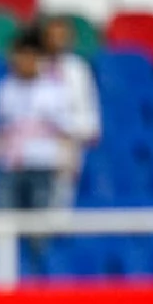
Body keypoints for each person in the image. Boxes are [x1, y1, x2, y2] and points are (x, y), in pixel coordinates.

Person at [0, 28, 76, 210]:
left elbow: (66, 133)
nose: (24, 61)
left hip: (43, 166)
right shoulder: (5, 88)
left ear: (39, 58)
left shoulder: (54, 91)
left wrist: (69, 167)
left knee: (41, 223)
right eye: (20, 56)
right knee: (4, 218)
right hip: (9, 167)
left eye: (30, 55)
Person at [42, 16, 101, 208]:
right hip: (37, 138)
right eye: (52, 36)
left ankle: (59, 220)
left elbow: (87, 106)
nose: (57, 41)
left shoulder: (78, 69)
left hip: (68, 138)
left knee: (61, 192)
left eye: (62, 37)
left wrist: (81, 132)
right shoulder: (35, 65)